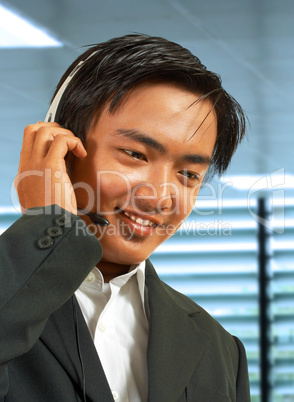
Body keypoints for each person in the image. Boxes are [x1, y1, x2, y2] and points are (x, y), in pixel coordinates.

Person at [0, 34, 250, 401]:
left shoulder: (220, 350)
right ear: (62, 148)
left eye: (189, 174)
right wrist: (46, 225)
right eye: (135, 154)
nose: (159, 197)